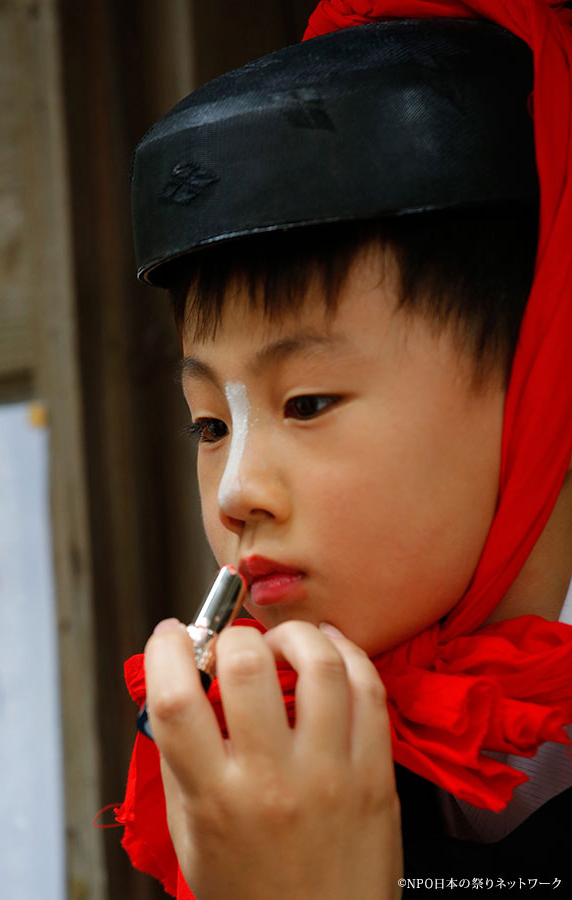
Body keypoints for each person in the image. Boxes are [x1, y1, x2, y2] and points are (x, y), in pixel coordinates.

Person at [115, 2, 572, 898]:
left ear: (538, 378)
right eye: (210, 424)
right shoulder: (265, 748)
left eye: (308, 401)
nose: (237, 493)